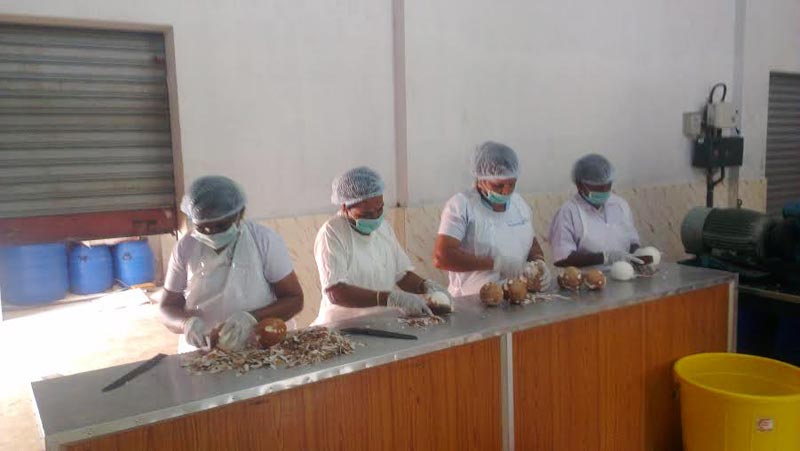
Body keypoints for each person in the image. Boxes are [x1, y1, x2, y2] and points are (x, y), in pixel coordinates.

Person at [159, 176, 303, 352]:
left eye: (221, 226)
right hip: (204, 351)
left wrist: (250, 318)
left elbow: (294, 299)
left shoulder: (263, 241)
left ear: (239, 214)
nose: (211, 233)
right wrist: (187, 324)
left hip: (259, 348)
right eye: (202, 228)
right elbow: (167, 307)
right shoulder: (185, 247)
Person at [311, 166, 450, 325]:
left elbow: (401, 274)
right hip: (344, 325)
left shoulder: (383, 227)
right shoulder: (333, 233)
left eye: (379, 209)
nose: (375, 217)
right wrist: (389, 298)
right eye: (366, 214)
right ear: (344, 207)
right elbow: (335, 292)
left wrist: (425, 286)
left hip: (380, 322)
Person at [433, 141, 552, 297]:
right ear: (481, 179)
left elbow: (530, 241)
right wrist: (495, 263)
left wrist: (539, 262)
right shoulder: (461, 205)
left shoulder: (519, 204)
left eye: (512, 183)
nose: (506, 191)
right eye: (498, 185)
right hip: (472, 302)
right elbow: (442, 257)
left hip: (516, 296)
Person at [548, 154, 643, 267]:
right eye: (597, 187)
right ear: (579, 185)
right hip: (588, 281)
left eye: (607, 186)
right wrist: (604, 258)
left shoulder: (620, 205)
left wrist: (637, 256)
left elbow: (632, 240)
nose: (603, 191)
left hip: (624, 277)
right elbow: (562, 258)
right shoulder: (568, 213)